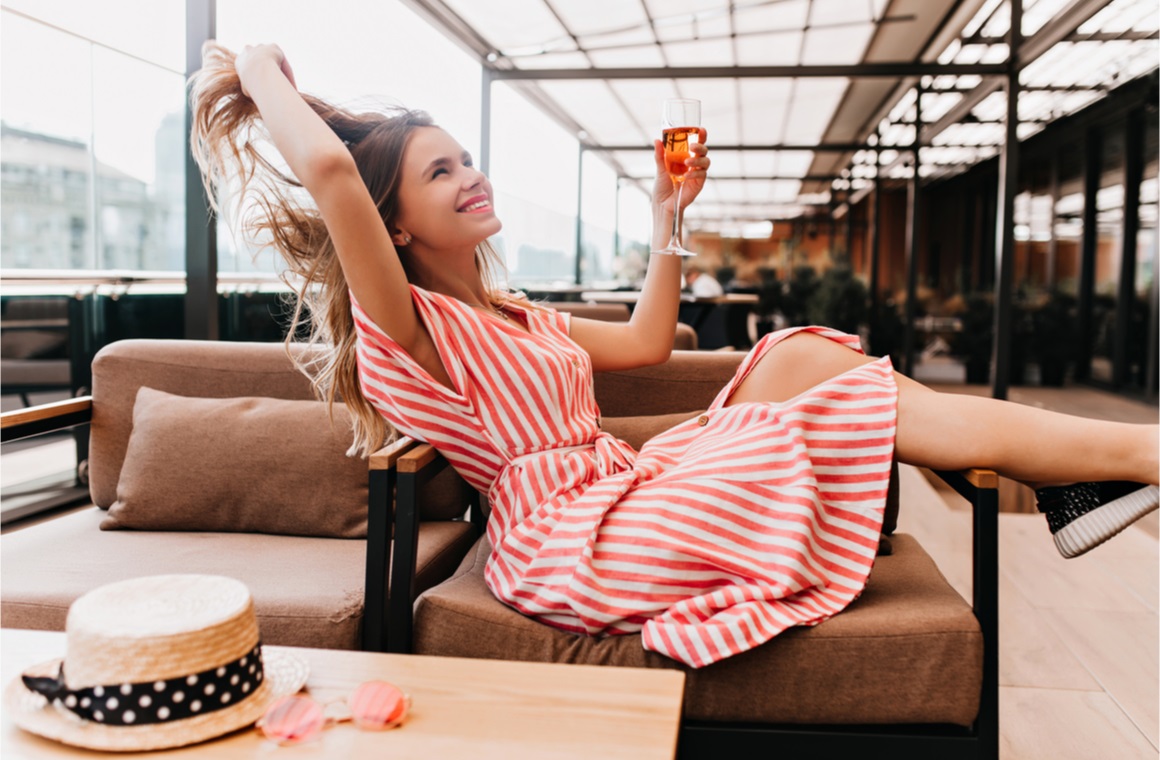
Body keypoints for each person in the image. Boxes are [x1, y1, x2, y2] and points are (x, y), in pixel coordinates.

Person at [190, 43, 1159, 668]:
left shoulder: (512, 314)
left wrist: (666, 218)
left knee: (792, 360)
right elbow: (326, 171)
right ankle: (1127, 459)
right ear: (391, 227)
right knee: (823, 403)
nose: (470, 177)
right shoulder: (409, 333)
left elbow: (651, 342)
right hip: (572, 542)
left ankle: (1076, 480)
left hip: (624, 484)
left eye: (467, 159)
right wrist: (260, 75)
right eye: (438, 172)